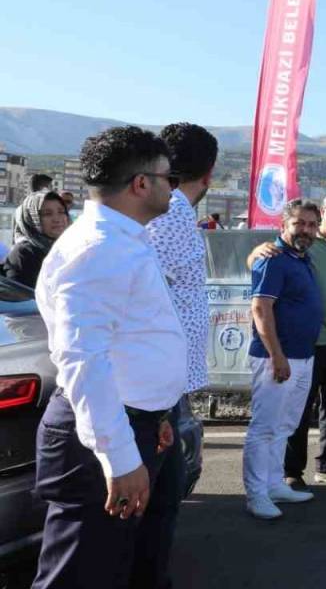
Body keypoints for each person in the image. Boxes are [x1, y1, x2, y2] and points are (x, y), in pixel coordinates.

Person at [31, 126, 186, 588]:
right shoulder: (100, 249)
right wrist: (119, 458)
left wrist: (155, 410)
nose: (172, 189)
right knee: (82, 576)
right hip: (103, 439)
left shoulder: (119, 240)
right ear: (141, 184)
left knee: (129, 567)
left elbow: (127, 347)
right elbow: (82, 361)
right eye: (168, 178)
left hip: (134, 422)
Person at [134, 122, 216, 580]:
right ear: (210, 171)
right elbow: (154, 290)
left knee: (163, 498)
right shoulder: (176, 212)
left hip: (164, 381)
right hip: (159, 385)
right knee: (157, 504)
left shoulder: (168, 211)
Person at [261, 191, 326, 488]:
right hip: (308, 343)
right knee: (298, 411)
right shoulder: (305, 245)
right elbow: (266, 257)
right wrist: (256, 252)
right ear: (324, 212)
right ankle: (291, 472)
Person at [242, 200, 324, 519]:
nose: (305, 230)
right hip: (276, 358)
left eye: (310, 225)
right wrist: (277, 355)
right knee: (264, 428)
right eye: (299, 224)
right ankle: (256, 494)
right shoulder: (272, 259)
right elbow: (261, 309)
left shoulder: (303, 258)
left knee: (285, 425)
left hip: (303, 356)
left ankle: (275, 484)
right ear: (284, 226)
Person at [4, 191, 69, 287]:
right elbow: (23, 298)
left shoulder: (69, 247)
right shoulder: (24, 252)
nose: (57, 219)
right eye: (47, 214)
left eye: (61, 212)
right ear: (32, 219)